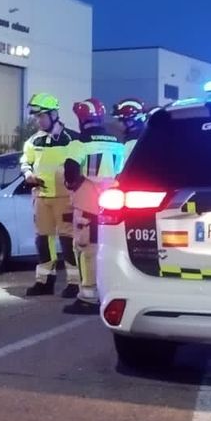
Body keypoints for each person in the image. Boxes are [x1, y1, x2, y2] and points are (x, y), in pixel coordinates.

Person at [20, 93, 78, 297]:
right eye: (37, 117)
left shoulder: (72, 139)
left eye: (42, 116)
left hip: (65, 197)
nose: (39, 120)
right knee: (43, 240)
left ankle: (75, 283)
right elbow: (25, 162)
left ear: (54, 114)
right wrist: (28, 174)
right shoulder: (34, 140)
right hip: (41, 197)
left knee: (68, 240)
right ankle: (44, 281)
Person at [60, 157, 107, 315]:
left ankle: (88, 298)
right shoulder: (117, 145)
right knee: (98, 250)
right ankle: (100, 294)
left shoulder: (81, 146)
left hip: (86, 200)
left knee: (85, 251)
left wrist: (71, 183)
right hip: (108, 200)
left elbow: (71, 166)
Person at [72, 98, 128, 180]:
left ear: (82, 120)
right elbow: (121, 171)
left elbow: (70, 171)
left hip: (88, 187)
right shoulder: (119, 144)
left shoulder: (80, 143)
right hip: (113, 187)